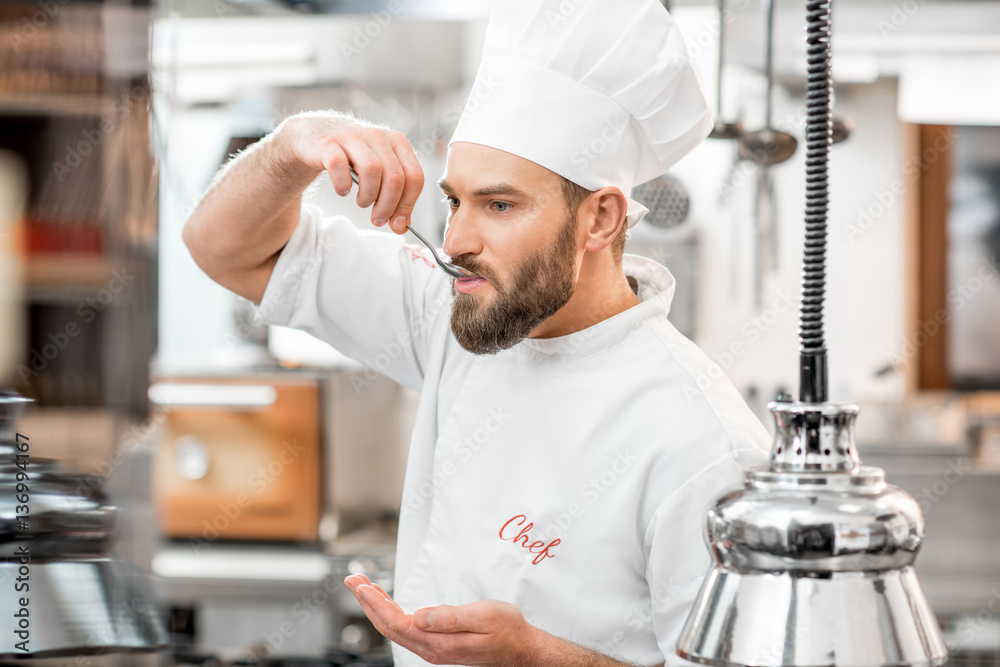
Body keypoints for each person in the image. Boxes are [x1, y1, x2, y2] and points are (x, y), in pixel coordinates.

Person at [183, 0, 773, 665]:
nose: (457, 239)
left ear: (601, 219)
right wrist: (296, 144)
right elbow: (223, 250)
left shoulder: (705, 446)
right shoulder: (453, 312)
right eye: (454, 200)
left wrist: (537, 655)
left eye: (498, 204)